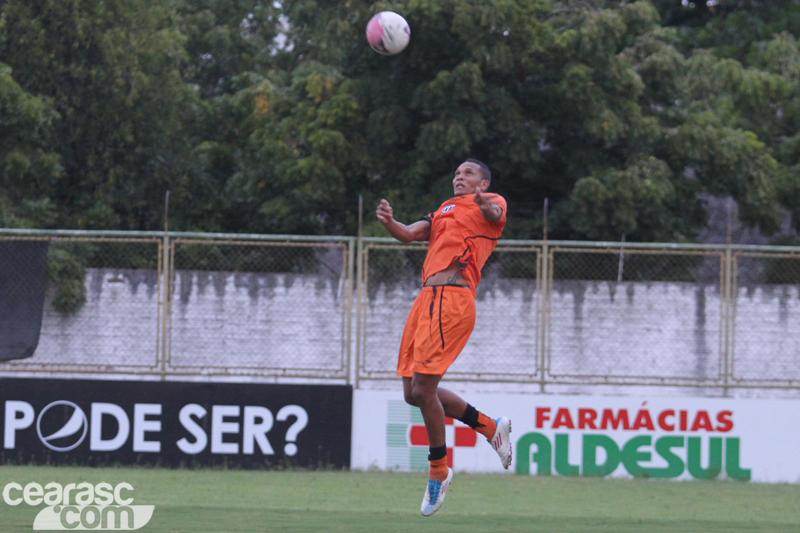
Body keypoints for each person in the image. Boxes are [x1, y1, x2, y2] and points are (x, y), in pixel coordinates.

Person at [376, 159, 512, 517]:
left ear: (483, 182)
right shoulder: (443, 210)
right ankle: (490, 427)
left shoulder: (491, 203)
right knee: (412, 393)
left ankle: (439, 469)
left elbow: (495, 213)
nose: (459, 177)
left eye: (468, 173)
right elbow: (409, 234)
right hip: (425, 300)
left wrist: (483, 202)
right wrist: (390, 222)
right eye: (456, 173)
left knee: (424, 391)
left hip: (452, 300)